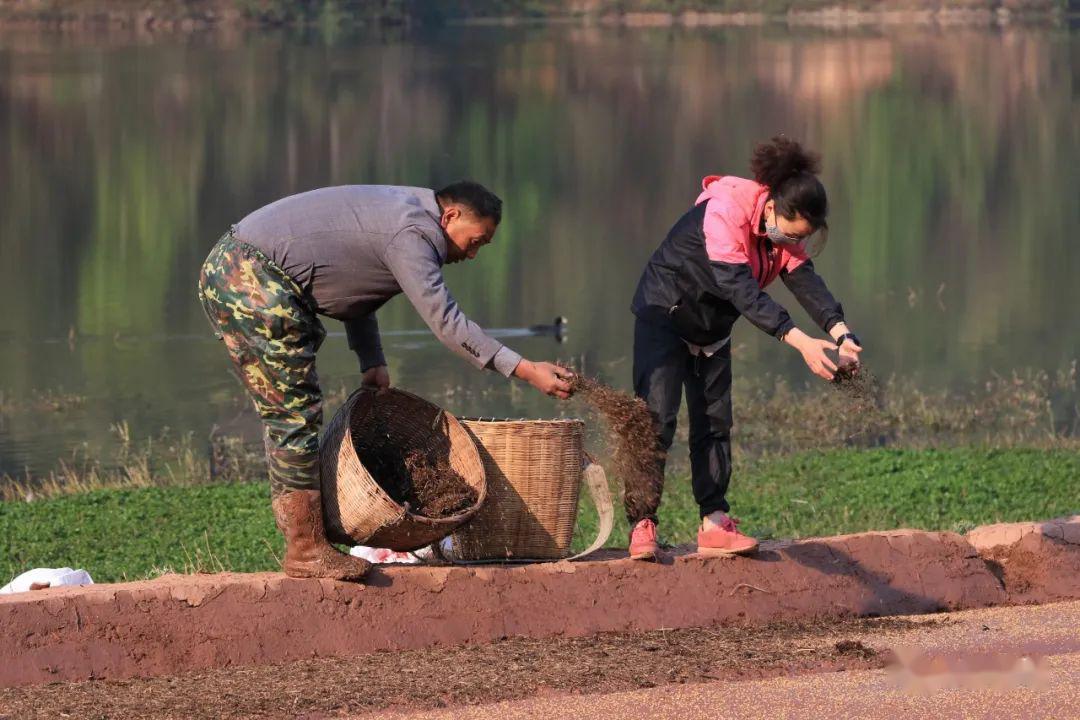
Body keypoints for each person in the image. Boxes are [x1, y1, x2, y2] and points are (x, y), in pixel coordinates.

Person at [197, 182, 573, 581]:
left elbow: (355, 282)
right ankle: (305, 549)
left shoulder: (404, 215)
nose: (472, 254)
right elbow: (448, 324)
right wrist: (527, 369)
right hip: (249, 276)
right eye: (475, 241)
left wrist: (371, 360)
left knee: (294, 411)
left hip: (243, 265)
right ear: (451, 217)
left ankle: (308, 541)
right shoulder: (412, 234)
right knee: (293, 413)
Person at [628, 136, 862, 560]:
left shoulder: (783, 233)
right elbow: (739, 289)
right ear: (771, 207)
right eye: (788, 234)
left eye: (798, 238)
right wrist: (801, 342)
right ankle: (642, 524)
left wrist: (842, 332)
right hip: (665, 312)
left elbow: (804, 280)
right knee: (656, 421)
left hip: (712, 327)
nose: (787, 243)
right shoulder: (725, 211)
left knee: (715, 423)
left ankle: (714, 522)